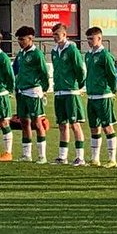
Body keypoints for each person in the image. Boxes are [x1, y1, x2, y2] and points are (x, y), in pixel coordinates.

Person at [49, 23, 86, 166]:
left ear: (64, 35)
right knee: (62, 125)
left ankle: (80, 157)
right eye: (53, 35)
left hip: (71, 92)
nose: (55, 37)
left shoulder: (72, 49)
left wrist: (78, 85)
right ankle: (62, 156)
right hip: (59, 91)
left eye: (57, 34)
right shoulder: (54, 51)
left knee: (75, 124)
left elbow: (80, 68)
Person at [83, 27, 117, 167]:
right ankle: (95, 159)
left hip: (103, 96)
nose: (89, 41)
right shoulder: (88, 55)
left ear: (99, 38)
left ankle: (112, 159)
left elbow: (112, 75)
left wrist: (112, 91)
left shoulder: (105, 55)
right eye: (88, 39)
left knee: (107, 127)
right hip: (91, 96)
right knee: (94, 128)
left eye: (91, 38)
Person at [13, 27, 49, 163]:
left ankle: (42, 156)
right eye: (19, 40)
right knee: (24, 122)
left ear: (30, 38)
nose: (20, 42)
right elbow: (15, 70)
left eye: (22, 39)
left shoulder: (37, 54)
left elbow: (44, 72)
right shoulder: (21, 54)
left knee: (37, 122)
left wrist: (44, 89)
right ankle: (26, 155)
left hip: (33, 92)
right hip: (21, 91)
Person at [0, 42, 14, 161]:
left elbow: (10, 75)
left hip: (1, 94)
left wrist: (8, 90)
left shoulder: (3, 57)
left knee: (4, 122)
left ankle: (8, 152)